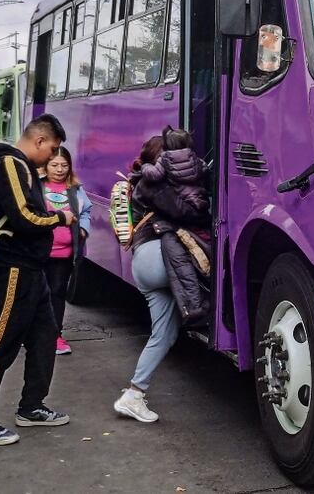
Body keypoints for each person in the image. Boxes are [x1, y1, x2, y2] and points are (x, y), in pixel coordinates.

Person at [0, 114, 76, 447]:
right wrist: (60, 217)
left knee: (44, 337)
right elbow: (23, 217)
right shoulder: (12, 165)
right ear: (40, 141)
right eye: (52, 148)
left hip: (31, 270)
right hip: (12, 269)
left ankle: (31, 407)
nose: (53, 157)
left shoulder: (16, 166)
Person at [114, 130, 210, 424]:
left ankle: (133, 394)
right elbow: (185, 212)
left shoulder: (145, 181)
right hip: (157, 256)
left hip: (145, 265)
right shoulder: (153, 184)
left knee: (164, 334)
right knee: (216, 278)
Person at [41, 146, 92, 356]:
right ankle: (34, 334)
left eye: (64, 165)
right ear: (45, 166)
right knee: (35, 295)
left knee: (57, 294)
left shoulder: (76, 188)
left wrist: (83, 229)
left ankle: (55, 336)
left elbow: (87, 210)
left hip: (64, 255)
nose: (59, 169)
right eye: (54, 165)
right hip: (39, 253)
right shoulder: (36, 186)